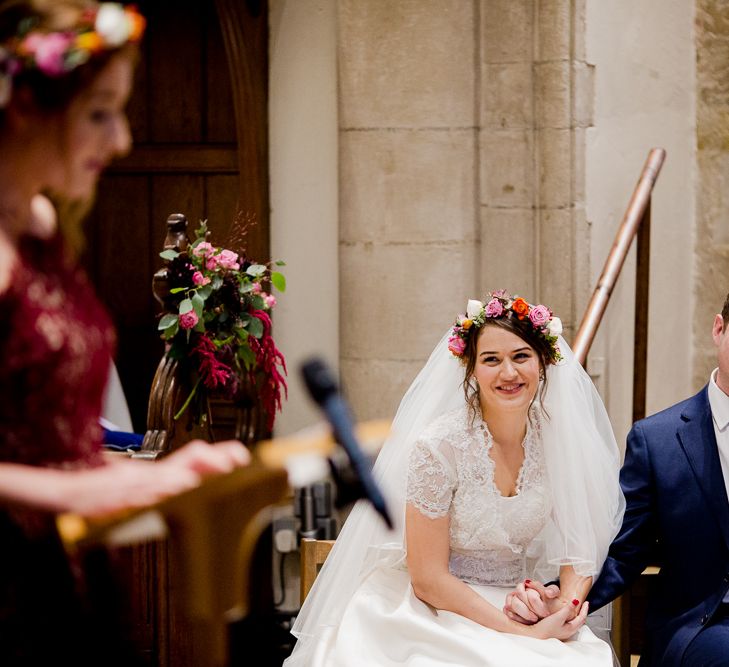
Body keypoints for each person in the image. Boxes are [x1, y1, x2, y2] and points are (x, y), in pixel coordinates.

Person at [0, 2, 249, 662]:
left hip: (67, 573)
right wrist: (80, 490)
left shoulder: (45, 229)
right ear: (23, 109)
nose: (121, 141)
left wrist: (160, 472)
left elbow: (40, 436)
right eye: (99, 112)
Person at [284, 291, 625, 666]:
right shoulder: (439, 447)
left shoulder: (556, 438)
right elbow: (428, 579)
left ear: (543, 362)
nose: (508, 373)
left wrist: (563, 605)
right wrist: (521, 634)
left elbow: (582, 545)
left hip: (512, 598)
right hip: (435, 608)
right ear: (471, 368)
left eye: (521, 356)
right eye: (491, 359)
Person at [505, 295, 729, 666]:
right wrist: (558, 599)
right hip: (703, 628)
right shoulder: (657, 440)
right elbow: (623, 551)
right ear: (719, 330)